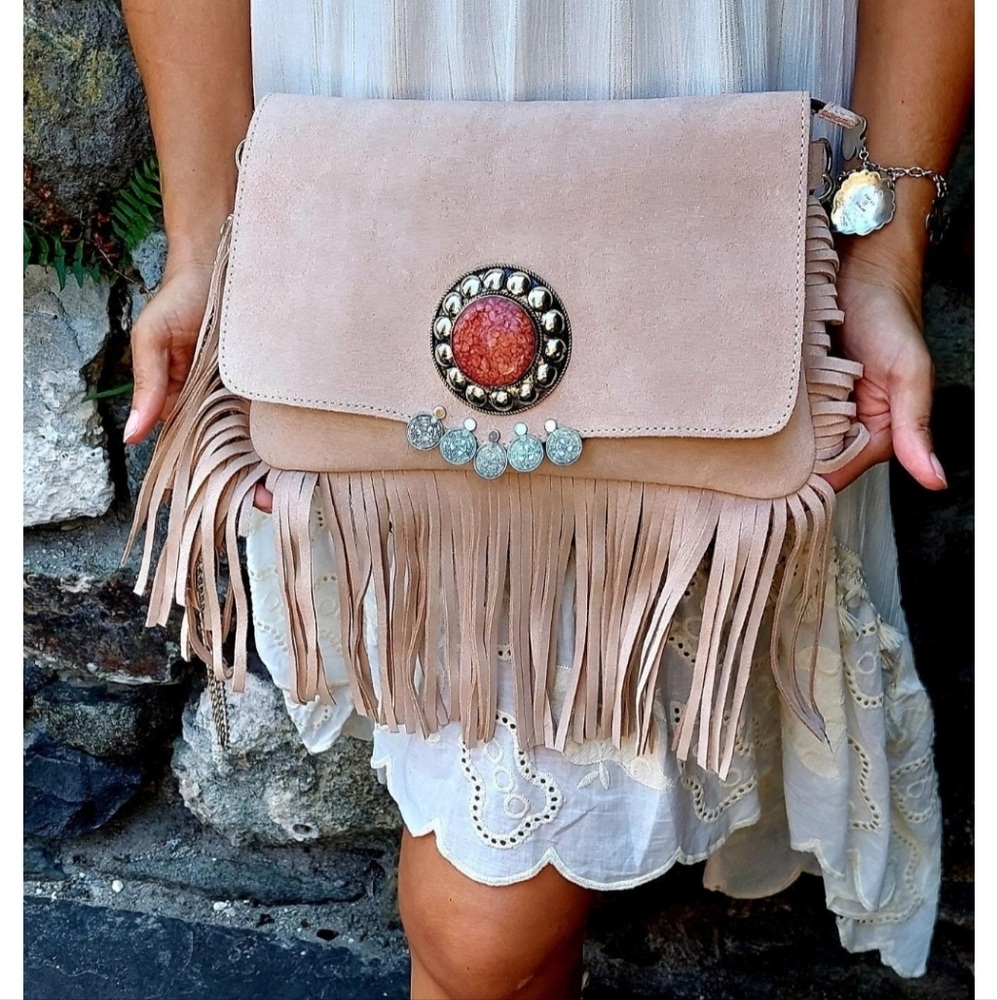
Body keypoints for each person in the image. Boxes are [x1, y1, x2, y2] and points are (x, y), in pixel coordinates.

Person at [120, 2, 972, 997]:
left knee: (480, 936)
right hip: (370, 148)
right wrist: (200, 241)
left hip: (703, 143)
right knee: (482, 937)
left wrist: (885, 254)